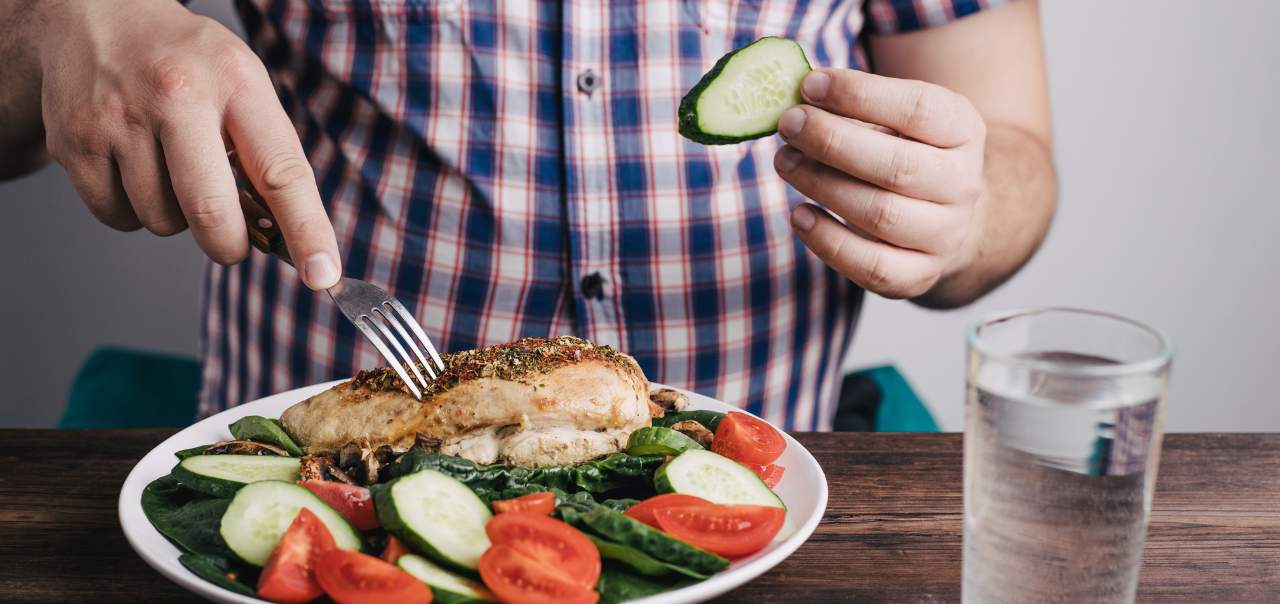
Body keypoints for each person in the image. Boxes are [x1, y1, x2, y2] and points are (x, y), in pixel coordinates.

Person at [0, 0, 1054, 430]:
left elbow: (1014, 154)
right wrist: (51, 27)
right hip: (319, 523)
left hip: (748, 512)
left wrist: (957, 218)